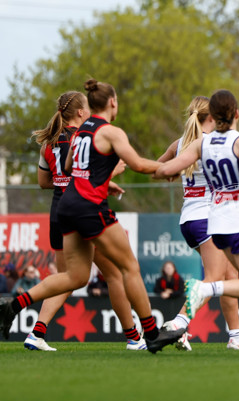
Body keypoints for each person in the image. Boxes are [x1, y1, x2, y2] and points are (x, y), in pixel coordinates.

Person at [0, 79, 185, 352]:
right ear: (112, 102)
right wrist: (170, 167)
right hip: (89, 207)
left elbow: (67, 166)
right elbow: (138, 165)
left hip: (66, 206)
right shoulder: (110, 132)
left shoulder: (81, 132)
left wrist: (97, 177)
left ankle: (11, 306)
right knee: (128, 268)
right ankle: (150, 334)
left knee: (75, 277)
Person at [155, 89, 239, 358]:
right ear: (236, 114)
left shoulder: (195, 144)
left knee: (236, 278)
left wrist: (122, 164)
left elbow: (162, 169)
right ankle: (190, 311)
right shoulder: (238, 141)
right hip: (235, 218)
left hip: (208, 220)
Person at [24, 90, 146, 352]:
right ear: (80, 112)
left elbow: (44, 182)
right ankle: (134, 338)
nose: (90, 112)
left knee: (68, 278)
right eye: (87, 108)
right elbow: (83, 175)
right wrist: (113, 171)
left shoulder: (49, 142)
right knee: (115, 273)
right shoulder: (83, 137)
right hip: (83, 209)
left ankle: (36, 332)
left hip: (59, 211)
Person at [156, 95, 239, 351]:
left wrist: (172, 173)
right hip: (208, 219)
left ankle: (236, 337)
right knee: (215, 276)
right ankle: (178, 323)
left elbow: (158, 169)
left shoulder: (180, 143)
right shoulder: (213, 143)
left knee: (229, 275)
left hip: (189, 220)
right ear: (213, 117)